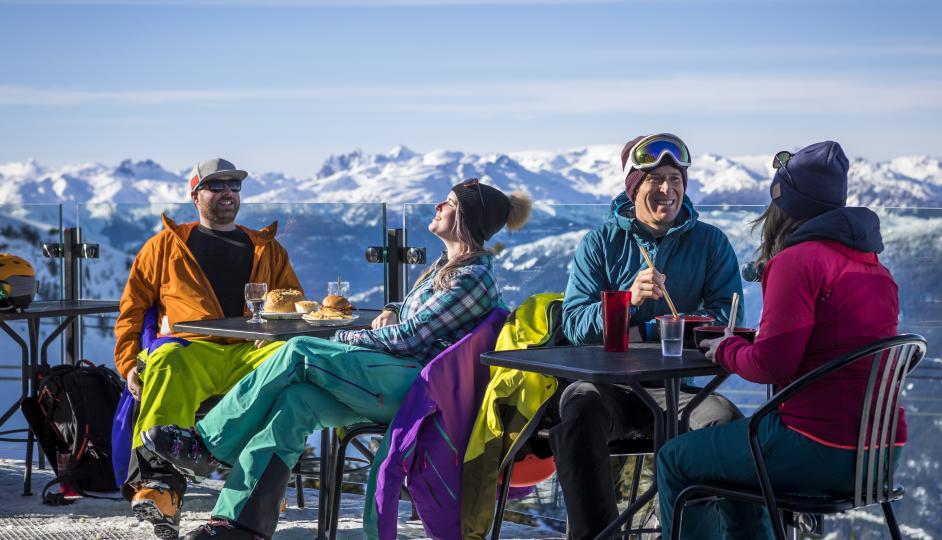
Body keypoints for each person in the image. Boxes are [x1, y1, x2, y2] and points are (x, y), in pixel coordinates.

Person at [141, 179, 532, 540]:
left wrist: (340, 334)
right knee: (294, 403)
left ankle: (209, 444)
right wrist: (394, 308)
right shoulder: (447, 269)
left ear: (465, 219)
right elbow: (413, 314)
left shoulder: (472, 277)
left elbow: (411, 339)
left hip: (415, 388)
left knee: (298, 352)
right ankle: (239, 523)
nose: (436, 206)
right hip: (395, 377)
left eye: (446, 204)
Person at [656, 141, 901, 538]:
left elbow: (772, 364)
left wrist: (727, 348)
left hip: (819, 448)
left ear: (783, 205)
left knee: (675, 460)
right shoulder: (874, 267)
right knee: (736, 466)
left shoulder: (798, 260)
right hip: (880, 454)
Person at [555, 133, 747, 539]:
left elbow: (727, 320)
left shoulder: (710, 243)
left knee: (725, 423)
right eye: (655, 179)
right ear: (633, 187)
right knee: (577, 414)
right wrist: (625, 303)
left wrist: (655, 329)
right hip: (607, 387)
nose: (667, 189)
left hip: (675, 392)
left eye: (675, 179)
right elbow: (573, 325)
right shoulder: (600, 243)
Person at [114, 158, 301, 539]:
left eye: (234, 186)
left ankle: (258, 484)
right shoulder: (165, 245)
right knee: (166, 359)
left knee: (292, 361)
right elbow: (132, 309)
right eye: (217, 186)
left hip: (251, 348)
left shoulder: (267, 248)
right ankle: (160, 490)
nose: (228, 193)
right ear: (195, 195)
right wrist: (129, 362)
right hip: (193, 349)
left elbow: (292, 302)